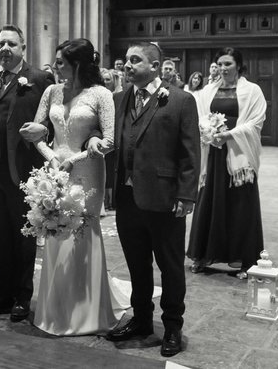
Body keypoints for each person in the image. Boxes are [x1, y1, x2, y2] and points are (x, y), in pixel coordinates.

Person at [19, 39, 125, 335]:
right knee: (53, 228)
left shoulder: (101, 94)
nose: (56, 66)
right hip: (53, 168)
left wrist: (75, 159)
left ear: (77, 63)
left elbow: (110, 140)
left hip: (88, 169)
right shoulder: (52, 91)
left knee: (81, 231)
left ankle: (85, 310)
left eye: (61, 62)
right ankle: (55, 307)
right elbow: (37, 132)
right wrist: (53, 157)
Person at [105, 42, 200, 358]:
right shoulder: (119, 99)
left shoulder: (180, 101)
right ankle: (142, 319)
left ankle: (172, 325)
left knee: (170, 265)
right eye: (127, 60)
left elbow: (190, 153)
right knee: (136, 263)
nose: (127, 65)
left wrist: (186, 195)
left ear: (156, 66)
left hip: (164, 197)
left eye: (135, 60)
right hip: (128, 195)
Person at [0, 24, 54, 322]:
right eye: (1, 44)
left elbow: (54, 120)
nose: (5, 49)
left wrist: (44, 128)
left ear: (23, 48)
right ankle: (2, 293)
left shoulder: (39, 79)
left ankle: (22, 296)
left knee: (23, 237)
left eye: (11, 44)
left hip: (22, 170)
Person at [188, 48, 267, 278]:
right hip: (213, 153)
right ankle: (203, 255)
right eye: (219, 64)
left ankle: (245, 260)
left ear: (239, 66)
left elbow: (256, 122)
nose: (223, 68)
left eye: (228, 64)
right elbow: (199, 115)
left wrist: (229, 134)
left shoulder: (252, 91)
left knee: (241, 206)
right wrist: (209, 131)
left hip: (239, 158)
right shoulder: (208, 91)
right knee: (209, 202)